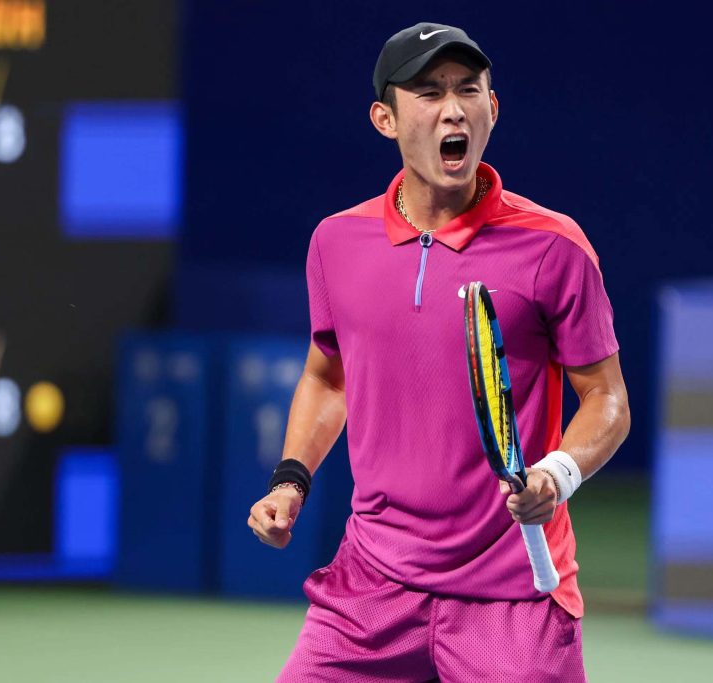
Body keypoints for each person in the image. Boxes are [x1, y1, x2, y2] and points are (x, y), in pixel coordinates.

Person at [248, 22, 630, 682]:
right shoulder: (336, 242)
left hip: (512, 595)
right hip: (371, 585)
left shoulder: (554, 247)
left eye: (468, 90)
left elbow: (607, 397)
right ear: (385, 119)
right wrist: (291, 479)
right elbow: (329, 376)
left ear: (492, 108)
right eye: (429, 92)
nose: (453, 109)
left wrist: (558, 473)